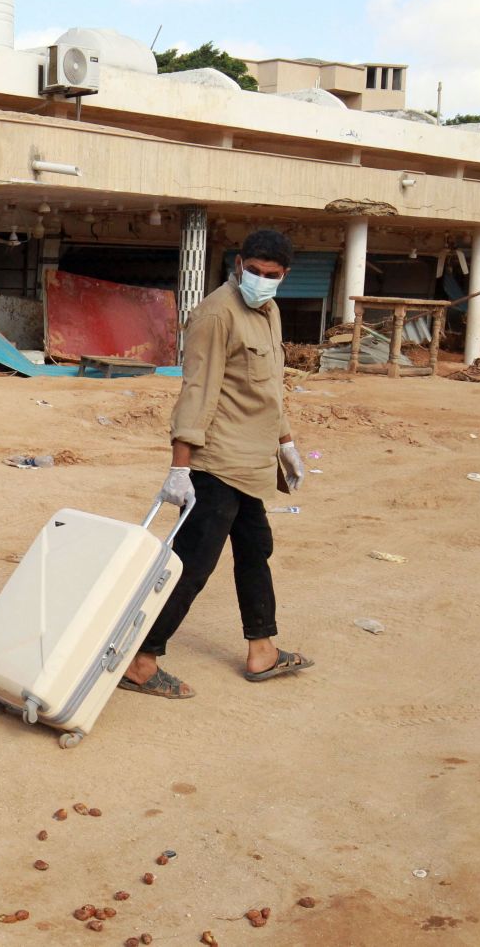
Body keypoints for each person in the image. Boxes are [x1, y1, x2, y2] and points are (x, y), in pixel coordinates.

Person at [118, 228, 314, 700]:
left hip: (252, 463)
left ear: (283, 276)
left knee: (255, 549)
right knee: (193, 564)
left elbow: (269, 386)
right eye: (254, 271)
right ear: (239, 263)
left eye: (272, 275)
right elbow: (197, 392)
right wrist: (180, 467)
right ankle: (142, 660)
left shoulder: (270, 312)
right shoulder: (215, 314)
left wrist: (285, 442)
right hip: (217, 461)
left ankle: (262, 649)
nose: (261, 281)